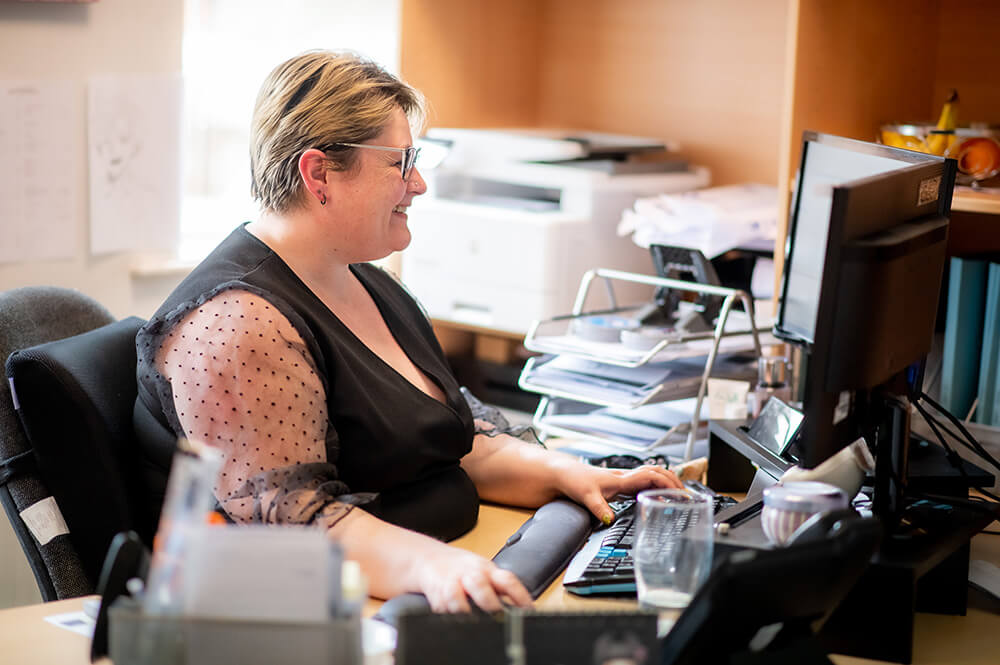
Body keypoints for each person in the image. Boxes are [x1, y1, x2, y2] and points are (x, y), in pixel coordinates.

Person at [134, 50, 682, 613]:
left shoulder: (366, 281)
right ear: (318, 172)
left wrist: (574, 474)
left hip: (422, 572)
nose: (417, 183)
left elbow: (451, 440)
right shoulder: (236, 323)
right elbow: (292, 527)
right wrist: (437, 567)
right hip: (304, 617)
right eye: (399, 162)